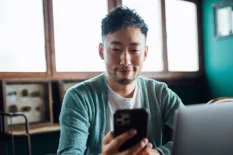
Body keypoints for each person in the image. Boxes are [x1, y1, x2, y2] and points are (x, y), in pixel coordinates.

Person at [57, 6, 184, 155]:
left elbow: (194, 137)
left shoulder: (160, 93)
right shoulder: (79, 97)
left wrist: (157, 153)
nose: (125, 60)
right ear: (101, 51)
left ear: (145, 53)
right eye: (116, 49)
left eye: (134, 50)